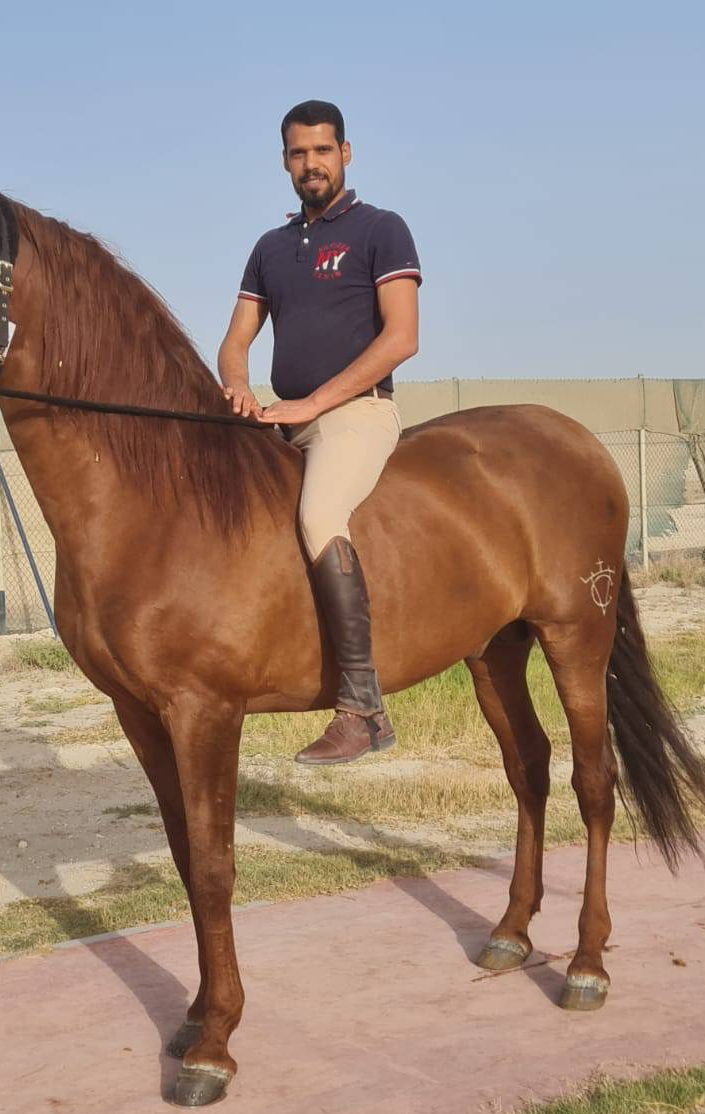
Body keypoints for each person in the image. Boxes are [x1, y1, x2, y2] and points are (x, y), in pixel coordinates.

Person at [218, 99, 422, 765]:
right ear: (285, 161)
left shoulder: (381, 230)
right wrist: (240, 387)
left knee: (320, 512)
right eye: (299, 153)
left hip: (357, 413)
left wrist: (313, 403)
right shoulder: (269, 248)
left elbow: (402, 339)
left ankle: (363, 707)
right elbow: (236, 339)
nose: (312, 164)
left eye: (323, 150)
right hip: (287, 419)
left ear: (346, 154)